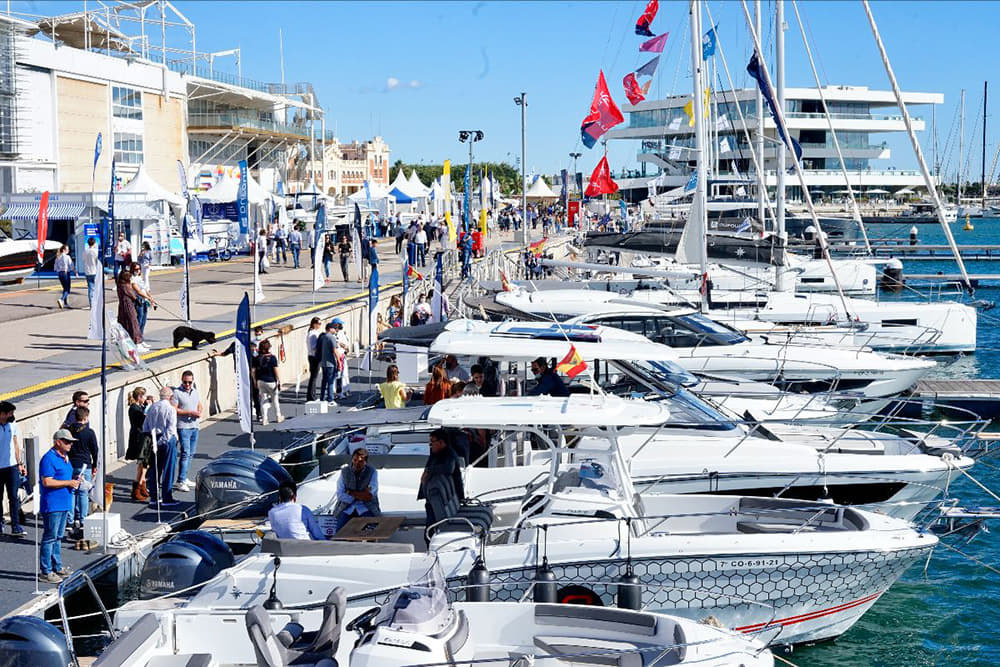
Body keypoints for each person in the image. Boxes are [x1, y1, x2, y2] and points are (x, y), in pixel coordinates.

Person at [417, 428, 464, 531]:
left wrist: (429, 471)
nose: (430, 444)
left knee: (430, 529)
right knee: (429, 528)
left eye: (432, 442)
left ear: (441, 442)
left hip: (441, 500)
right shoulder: (435, 454)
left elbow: (448, 468)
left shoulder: (449, 455)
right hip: (430, 500)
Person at [143, 386, 179, 507]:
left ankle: (154, 496)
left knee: (155, 468)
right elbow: (170, 429)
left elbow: (145, 426)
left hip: (154, 437)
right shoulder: (170, 409)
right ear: (171, 397)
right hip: (167, 440)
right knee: (168, 468)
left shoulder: (153, 407)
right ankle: (166, 497)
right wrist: (161, 442)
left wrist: (154, 440)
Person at [332, 448, 381, 533]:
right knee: (339, 534)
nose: (356, 463)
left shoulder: (372, 472)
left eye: (360, 462)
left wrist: (350, 492)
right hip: (347, 508)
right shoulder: (345, 471)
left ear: (366, 462)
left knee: (371, 533)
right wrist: (360, 495)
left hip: (366, 508)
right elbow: (340, 495)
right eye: (355, 460)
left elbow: (369, 496)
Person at [67, 406, 99, 533]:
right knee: (83, 493)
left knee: (71, 492)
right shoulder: (89, 432)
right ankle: (83, 520)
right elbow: (95, 450)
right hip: (85, 464)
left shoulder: (69, 431)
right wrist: (95, 465)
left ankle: (70, 520)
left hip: (70, 464)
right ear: (85, 417)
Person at [173, 370, 203, 491]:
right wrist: (190, 412)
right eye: (185, 382)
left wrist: (199, 412)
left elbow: (199, 404)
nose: (187, 385)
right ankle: (180, 480)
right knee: (185, 453)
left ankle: (184, 477)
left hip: (194, 425)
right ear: (182, 381)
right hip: (183, 427)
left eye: (189, 382)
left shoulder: (194, 391)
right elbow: (174, 409)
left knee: (191, 453)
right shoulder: (177, 393)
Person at [0, 401, 25, 537]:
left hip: (12, 467)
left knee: (13, 497)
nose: (12, 415)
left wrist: (19, 463)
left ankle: (16, 526)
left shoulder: (12, 424)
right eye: (10, 413)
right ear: (2, 414)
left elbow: (15, 443)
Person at [124, 386, 151, 502]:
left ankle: (142, 484)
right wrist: (148, 407)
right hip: (138, 438)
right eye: (144, 396)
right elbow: (143, 419)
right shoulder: (134, 408)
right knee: (143, 464)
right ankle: (137, 487)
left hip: (141, 436)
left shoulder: (138, 407)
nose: (145, 399)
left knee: (145, 464)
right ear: (139, 397)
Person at [256, 340, 283, 425]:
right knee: (275, 399)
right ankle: (278, 416)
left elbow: (253, 371)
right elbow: (276, 370)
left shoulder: (257, 358)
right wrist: (279, 381)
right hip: (271, 381)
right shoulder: (272, 358)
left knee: (263, 400)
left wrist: (255, 381)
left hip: (260, 380)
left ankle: (264, 419)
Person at [117, 269, 144, 349]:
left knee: (126, 322)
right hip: (128, 304)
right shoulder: (124, 285)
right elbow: (131, 294)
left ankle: (127, 340)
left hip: (124, 305)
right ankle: (136, 341)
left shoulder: (120, 284)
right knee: (133, 322)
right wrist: (137, 299)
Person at [130, 261, 156, 337]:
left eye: (139, 269)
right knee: (139, 320)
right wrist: (147, 297)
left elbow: (145, 289)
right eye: (136, 269)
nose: (138, 270)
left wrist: (150, 297)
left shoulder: (139, 277)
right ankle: (136, 338)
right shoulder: (132, 278)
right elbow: (138, 291)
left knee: (144, 321)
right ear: (132, 270)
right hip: (139, 300)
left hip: (144, 300)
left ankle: (140, 337)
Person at [318, 321, 341, 404]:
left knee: (324, 381)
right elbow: (335, 351)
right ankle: (330, 399)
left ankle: (322, 397)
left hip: (323, 362)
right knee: (331, 381)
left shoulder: (323, 337)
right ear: (330, 329)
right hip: (330, 363)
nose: (335, 330)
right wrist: (339, 362)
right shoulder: (331, 338)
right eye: (334, 328)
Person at [332, 317, 352, 398]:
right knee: (337, 375)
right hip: (337, 356)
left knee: (344, 374)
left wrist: (345, 347)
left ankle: (345, 390)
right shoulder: (333, 334)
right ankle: (336, 392)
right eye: (339, 324)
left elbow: (345, 344)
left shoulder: (342, 333)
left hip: (342, 355)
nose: (341, 326)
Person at [305, 317, 323, 402]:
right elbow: (313, 347)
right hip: (314, 357)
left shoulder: (314, 332)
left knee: (314, 377)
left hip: (312, 356)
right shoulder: (313, 334)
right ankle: (311, 396)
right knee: (313, 377)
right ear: (314, 324)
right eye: (319, 323)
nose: (320, 325)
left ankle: (312, 395)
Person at [82, 237, 100, 307]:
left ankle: (91, 304)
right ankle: (97, 303)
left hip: (87, 271)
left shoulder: (85, 251)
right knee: (97, 288)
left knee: (90, 288)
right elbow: (97, 261)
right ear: (94, 243)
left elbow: (83, 260)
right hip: (95, 271)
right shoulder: (96, 251)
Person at [54, 245, 73, 309]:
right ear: (64, 250)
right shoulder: (67, 257)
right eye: (67, 249)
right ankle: (61, 299)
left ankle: (65, 303)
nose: (68, 251)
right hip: (66, 273)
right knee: (67, 289)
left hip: (60, 273)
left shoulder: (58, 257)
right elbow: (70, 265)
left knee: (65, 288)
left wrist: (58, 270)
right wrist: (75, 271)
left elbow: (55, 267)